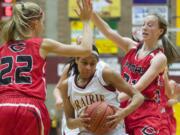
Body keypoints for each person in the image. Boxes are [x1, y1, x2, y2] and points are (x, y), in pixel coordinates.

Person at [0, 1, 93, 135]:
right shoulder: (42, 44)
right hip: (29, 108)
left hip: (2, 107)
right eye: (42, 22)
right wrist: (86, 21)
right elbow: (85, 50)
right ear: (35, 23)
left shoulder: (3, 49)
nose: (43, 27)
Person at [91, 8, 180, 135]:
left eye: (150, 25)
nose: (144, 27)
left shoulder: (159, 58)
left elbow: (138, 87)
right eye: (143, 24)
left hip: (147, 115)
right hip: (124, 110)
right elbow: (108, 31)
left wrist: (109, 100)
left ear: (160, 31)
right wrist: (91, 13)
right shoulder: (130, 47)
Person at [58, 44, 144, 135]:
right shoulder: (67, 86)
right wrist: (79, 121)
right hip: (87, 132)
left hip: (113, 131)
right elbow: (69, 123)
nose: (88, 67)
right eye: (84, 63)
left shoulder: (105, 75)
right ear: (76, 60)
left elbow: (138, 96)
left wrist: (123, 113)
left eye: (92, 64)